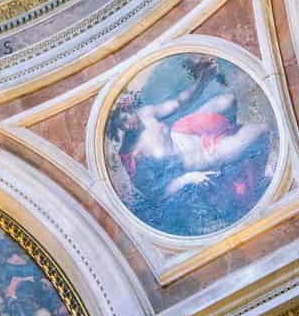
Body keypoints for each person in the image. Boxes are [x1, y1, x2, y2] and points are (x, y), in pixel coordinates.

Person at [108, 61, 271, 215]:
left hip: (189, 129)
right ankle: (250, 160)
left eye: (127, 115)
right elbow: (155, 195)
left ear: (129, 107)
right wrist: (186, 179)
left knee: (228, 100)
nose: (129, 122)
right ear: (118, 129)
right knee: (262, 130)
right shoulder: (131, 154)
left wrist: (203, 80)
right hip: (200, 156)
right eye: (122, 123)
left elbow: (178, 103)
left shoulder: (144, 115)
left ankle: (234, 139)